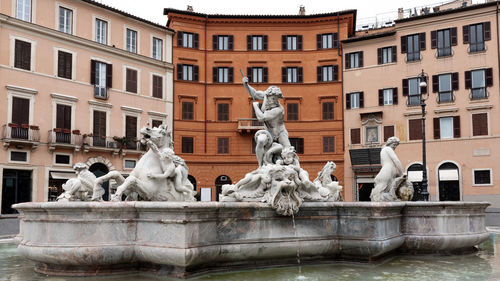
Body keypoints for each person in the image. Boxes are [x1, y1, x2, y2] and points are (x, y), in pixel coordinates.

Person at [243, 77, 291, 166]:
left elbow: (261, 118)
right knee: (260, 141)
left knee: (289, 153)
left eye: (276, 99)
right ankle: (260, 166)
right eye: (273, 98)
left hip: (280, 133)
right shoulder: (266, 95)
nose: (274, 100)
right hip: (268, 132)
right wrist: (246, 84)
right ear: (268, 96)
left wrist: (255, 107)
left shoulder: (279, 109)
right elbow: (254, 93)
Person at [370, 136, 404, 201]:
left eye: (396, 145)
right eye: (394, 144)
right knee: (383, 189)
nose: (395, 147)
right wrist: (401, 173)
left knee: (386, 190)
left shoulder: (383, 150)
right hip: (388, 170)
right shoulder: (388, 149)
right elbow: (396, 160)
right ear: (389, 143)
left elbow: (382, 163)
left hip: (387, 170)